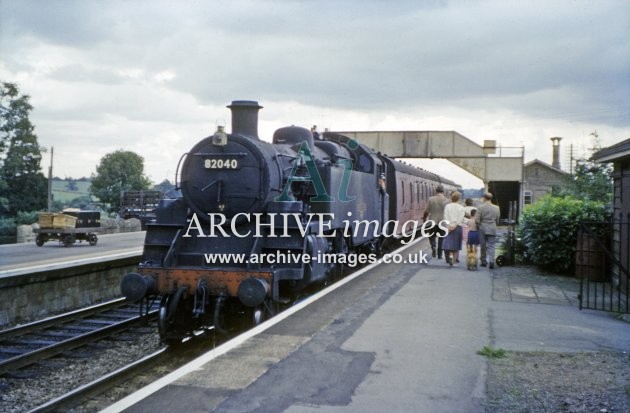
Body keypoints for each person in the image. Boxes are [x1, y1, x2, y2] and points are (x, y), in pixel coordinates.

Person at [476, 192, 501, 269]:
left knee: (483, 245)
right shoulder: (497, 208)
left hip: (482, 228)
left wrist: (479, 225)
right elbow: (498, 220)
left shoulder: (480, 207)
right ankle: (491, 261)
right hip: (492, 228)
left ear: (484, 198)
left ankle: (483, 261)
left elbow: (477, 220)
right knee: (492, 245)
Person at [442, 191, 465, 266]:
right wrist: (455, 225)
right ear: (459, 199)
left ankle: (450, 258)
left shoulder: (447, 206)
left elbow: (445, 216)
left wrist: (449, 226)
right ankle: (454, 262)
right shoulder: (461, 208)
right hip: (457, 227)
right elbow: (461, 218)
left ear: (451, 198)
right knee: (456, 246)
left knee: (450, 245)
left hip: (448, 227)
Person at [425, 185, 448, 259]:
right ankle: (440, 255)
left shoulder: (431, 199)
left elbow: (427, 211)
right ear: (443, 192)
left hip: (433, 221)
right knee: (442, 238)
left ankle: (433, 247)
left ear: (436, 191)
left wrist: (424, 218)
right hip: (443, 222)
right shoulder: (446, 200)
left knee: (431, 236)